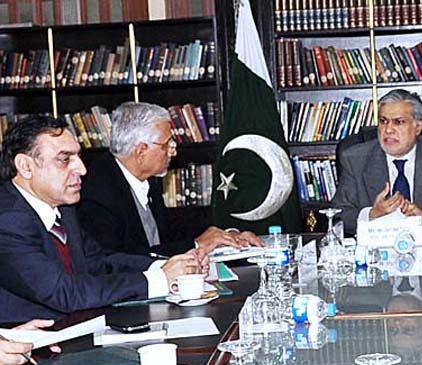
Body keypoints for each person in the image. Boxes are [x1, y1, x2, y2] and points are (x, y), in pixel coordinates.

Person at [0, 115, 205, 323]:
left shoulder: (63, 209)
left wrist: (166, 266)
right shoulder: (7, 221)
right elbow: (65, 293)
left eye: (78, 157)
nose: (82, 169)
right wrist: (158, 280)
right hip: (32, 346)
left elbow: (101, 263)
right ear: (25, 167)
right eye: (65, 159)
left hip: (75, 330)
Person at [78, 102, 263, 257]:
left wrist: (227, 235)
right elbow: (117, 260)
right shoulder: (96, 194)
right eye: (167, 145)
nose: (173, 151)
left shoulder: (146, 177)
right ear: (141, 151)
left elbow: (168, 230)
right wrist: (197, 245)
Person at [332, 89, 422, 234]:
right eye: (383, 121)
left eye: (398, 122)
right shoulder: (355, 158)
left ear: (418, 127)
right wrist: (371, 214)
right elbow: (337, 214)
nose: (388, 130)